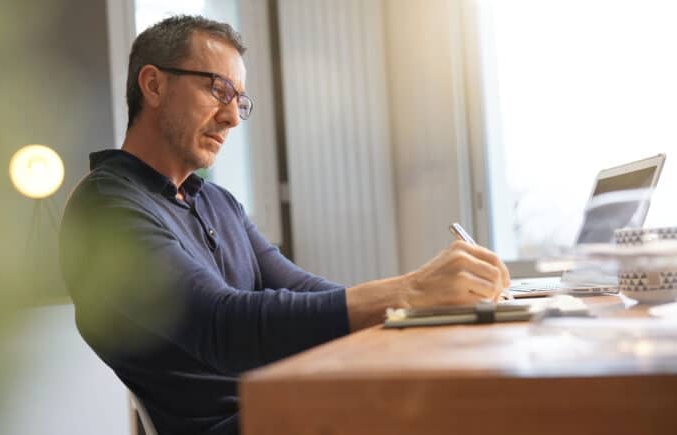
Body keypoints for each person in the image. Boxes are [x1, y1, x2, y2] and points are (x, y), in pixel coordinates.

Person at [59, 14, 510, 435]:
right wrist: (410, 291)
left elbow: (306, 292)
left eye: (239, 100)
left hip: (288, 403)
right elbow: (224, 328)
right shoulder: (108, 208)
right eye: (218, 90)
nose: (233, 117)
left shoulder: (216, 202)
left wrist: (426, 307)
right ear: (154, 84)